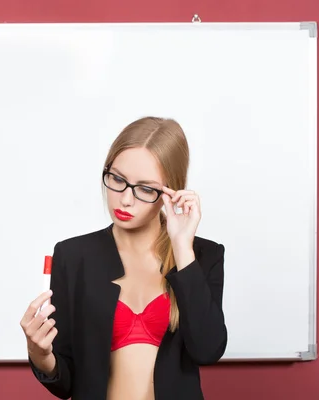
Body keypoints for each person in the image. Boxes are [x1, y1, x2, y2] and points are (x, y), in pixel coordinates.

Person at [20, 116, 227, 400]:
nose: (125, 200)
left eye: (145, 189)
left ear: (172, 192)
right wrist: (40, 354)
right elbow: (65, 384)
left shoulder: (203, 256)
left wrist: (182, 247)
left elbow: (208, 349)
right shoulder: (73, 256)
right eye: (117, 179)